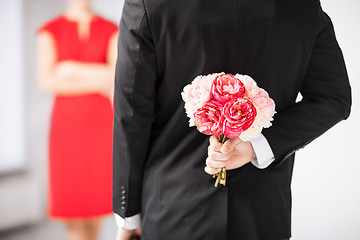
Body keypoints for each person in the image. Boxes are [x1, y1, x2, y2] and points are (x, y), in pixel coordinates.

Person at [113, 0, 351, 239]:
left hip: (173, 207)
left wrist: (129, 216)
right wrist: (259, 146)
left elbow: (132, 113)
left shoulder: (150, 3)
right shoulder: (301, 5)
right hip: (263, 213)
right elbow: (333, 97)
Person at [36, 0, 118, 239]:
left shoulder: (110, 28)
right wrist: (99, 82)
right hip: (67, 127)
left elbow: (116, 76)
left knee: (95, 205)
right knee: (73, 206)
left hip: (101, 125)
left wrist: (70, 68)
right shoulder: (49, 30)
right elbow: (47, 81)